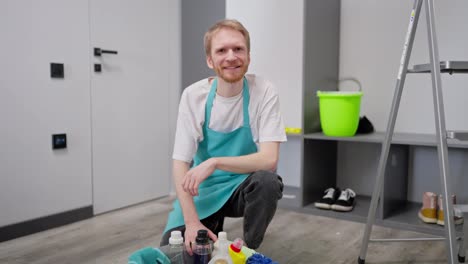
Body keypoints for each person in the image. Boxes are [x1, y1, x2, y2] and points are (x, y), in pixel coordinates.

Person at [160, 19, 286, 254]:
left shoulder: (264, 91)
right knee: (176, 254)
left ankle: (249, 251)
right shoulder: (193, 96)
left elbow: (269, 159)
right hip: (203, 191)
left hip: (242, 186)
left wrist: (215, 162)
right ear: (210, 60)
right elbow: (180, 163)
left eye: (238, 49)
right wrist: (191, 223)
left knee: (267, 182)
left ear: (248, 56)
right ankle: (210, 226)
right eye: (221, 50)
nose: (231, 57)